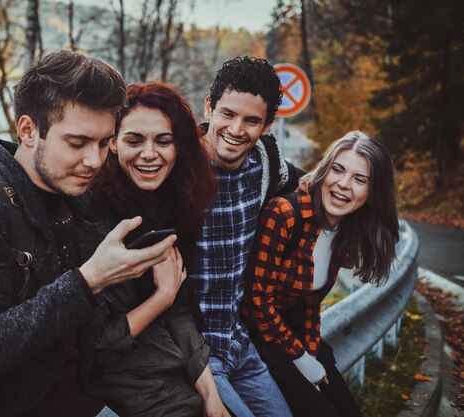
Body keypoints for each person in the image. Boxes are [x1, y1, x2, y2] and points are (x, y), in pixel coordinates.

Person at [0, 50, 178, 417]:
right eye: (77, 142)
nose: (95, 161)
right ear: (28, 130)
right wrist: (90, 279)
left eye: (104, 143)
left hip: (88, 396)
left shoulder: (74, 196)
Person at [87, 81, 230, 417]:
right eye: (134, 140)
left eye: (163, 141)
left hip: (171, 367)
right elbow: (96, 347)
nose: (149, 154)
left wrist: (211, 394)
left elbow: (178, 310)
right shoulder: (92, 218)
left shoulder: (174, 205)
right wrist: (160, 297)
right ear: (113, 144)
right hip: (120, 387)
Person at [241, 131, 400, 417]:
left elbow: (311, 303)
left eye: (359, 179)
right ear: (324, 170)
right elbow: (257, 305)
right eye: (338, 170)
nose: (343, 184)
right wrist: (302, 359)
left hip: (293, 331)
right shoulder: (285, 214)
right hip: (258, 338)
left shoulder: (344, 229)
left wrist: (312, 353)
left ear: (372, 192)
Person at [188, 56, 302, 417]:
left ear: (267, 126)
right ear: (209, 107)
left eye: (252, 120)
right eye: (227, 114)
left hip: (240, 342)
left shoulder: (266, 162)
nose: (236, 129)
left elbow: (309, 186)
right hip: (194, 352)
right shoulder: (177, 167)